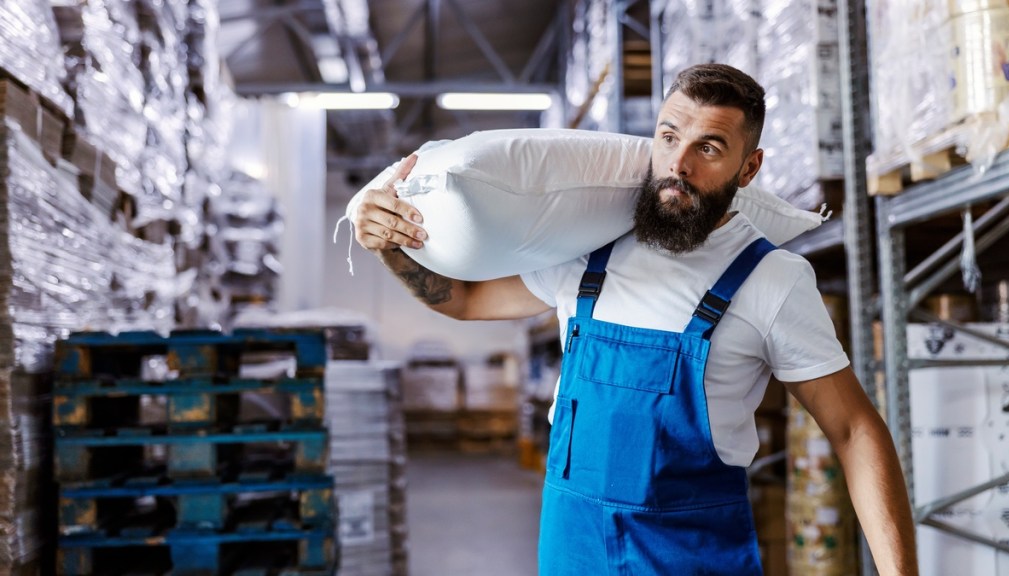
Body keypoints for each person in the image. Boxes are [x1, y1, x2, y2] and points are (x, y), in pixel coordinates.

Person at [350, 63, 918, 575]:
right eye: (669, 137)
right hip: (572, 557)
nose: (679, 165)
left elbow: (853, 429)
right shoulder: (588, 247)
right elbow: (465, 301)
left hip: (689, 560)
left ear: (749, 169)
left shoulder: (771, 279)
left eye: (709, 148)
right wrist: (389, 246)